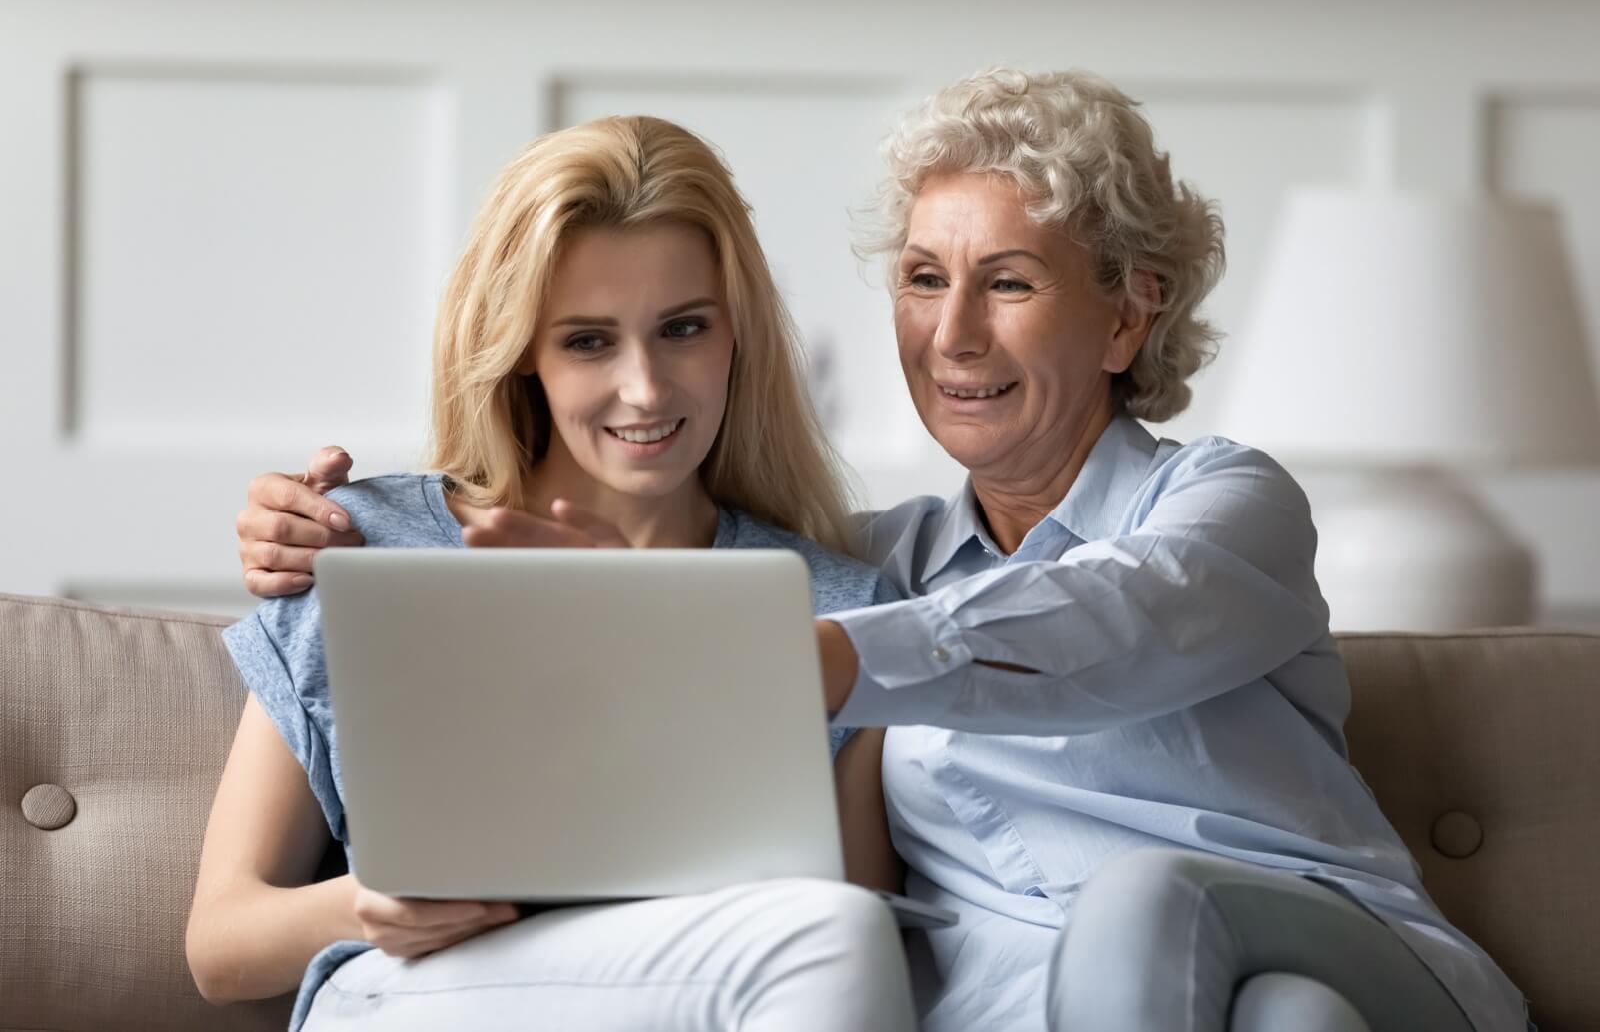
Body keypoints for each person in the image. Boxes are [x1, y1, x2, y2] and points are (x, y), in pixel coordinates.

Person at [236, 70, 1529, 1031]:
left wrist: (797, 655)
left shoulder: (1223, 506)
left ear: (1128, 315)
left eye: (1010, 282)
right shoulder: (861, 564)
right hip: (1069, 1007)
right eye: (922, 278)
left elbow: (1118, 618)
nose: (952, 334)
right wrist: (350, 536)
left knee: (1188, 930)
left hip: (1341, 944)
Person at [187, 114, 919, 1032]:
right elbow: (219, 945)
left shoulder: (842, 609)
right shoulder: (356, 546)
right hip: (407, 994)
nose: (646, 388)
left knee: (840, 933)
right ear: (523, 353)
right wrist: (371, 907)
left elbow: (854, 934)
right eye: (587, 341)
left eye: (683, 329)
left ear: (740, 337)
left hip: (687, 998)